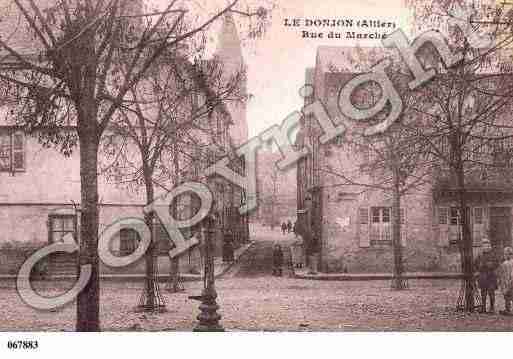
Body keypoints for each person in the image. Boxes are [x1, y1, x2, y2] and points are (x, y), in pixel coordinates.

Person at [475, 238, 499, 313]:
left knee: (491, 292)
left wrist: (491, 265)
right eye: (485, 246)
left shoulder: (493, 254)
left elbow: (497, 263)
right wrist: (479, 267)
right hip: (483, 276)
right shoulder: (479, 255)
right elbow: (475, 264)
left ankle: (492, 308)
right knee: (483, 293)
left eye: (488, 246)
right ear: (482, 247)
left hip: (491, 276)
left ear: (490, 246)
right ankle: (483, 308)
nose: (486, 247)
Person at [498, 246, 513, 316]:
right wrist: (502, 283)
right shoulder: (504, 263)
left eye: (508, 254)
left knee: (510, 295)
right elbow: (502, 274)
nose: (506, 255)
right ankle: (507, 309)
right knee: (506, 297)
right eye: (505, 254)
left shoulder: (511, 263)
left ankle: (508, 310)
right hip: (505, 282)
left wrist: (510, 282)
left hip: (510, 282)